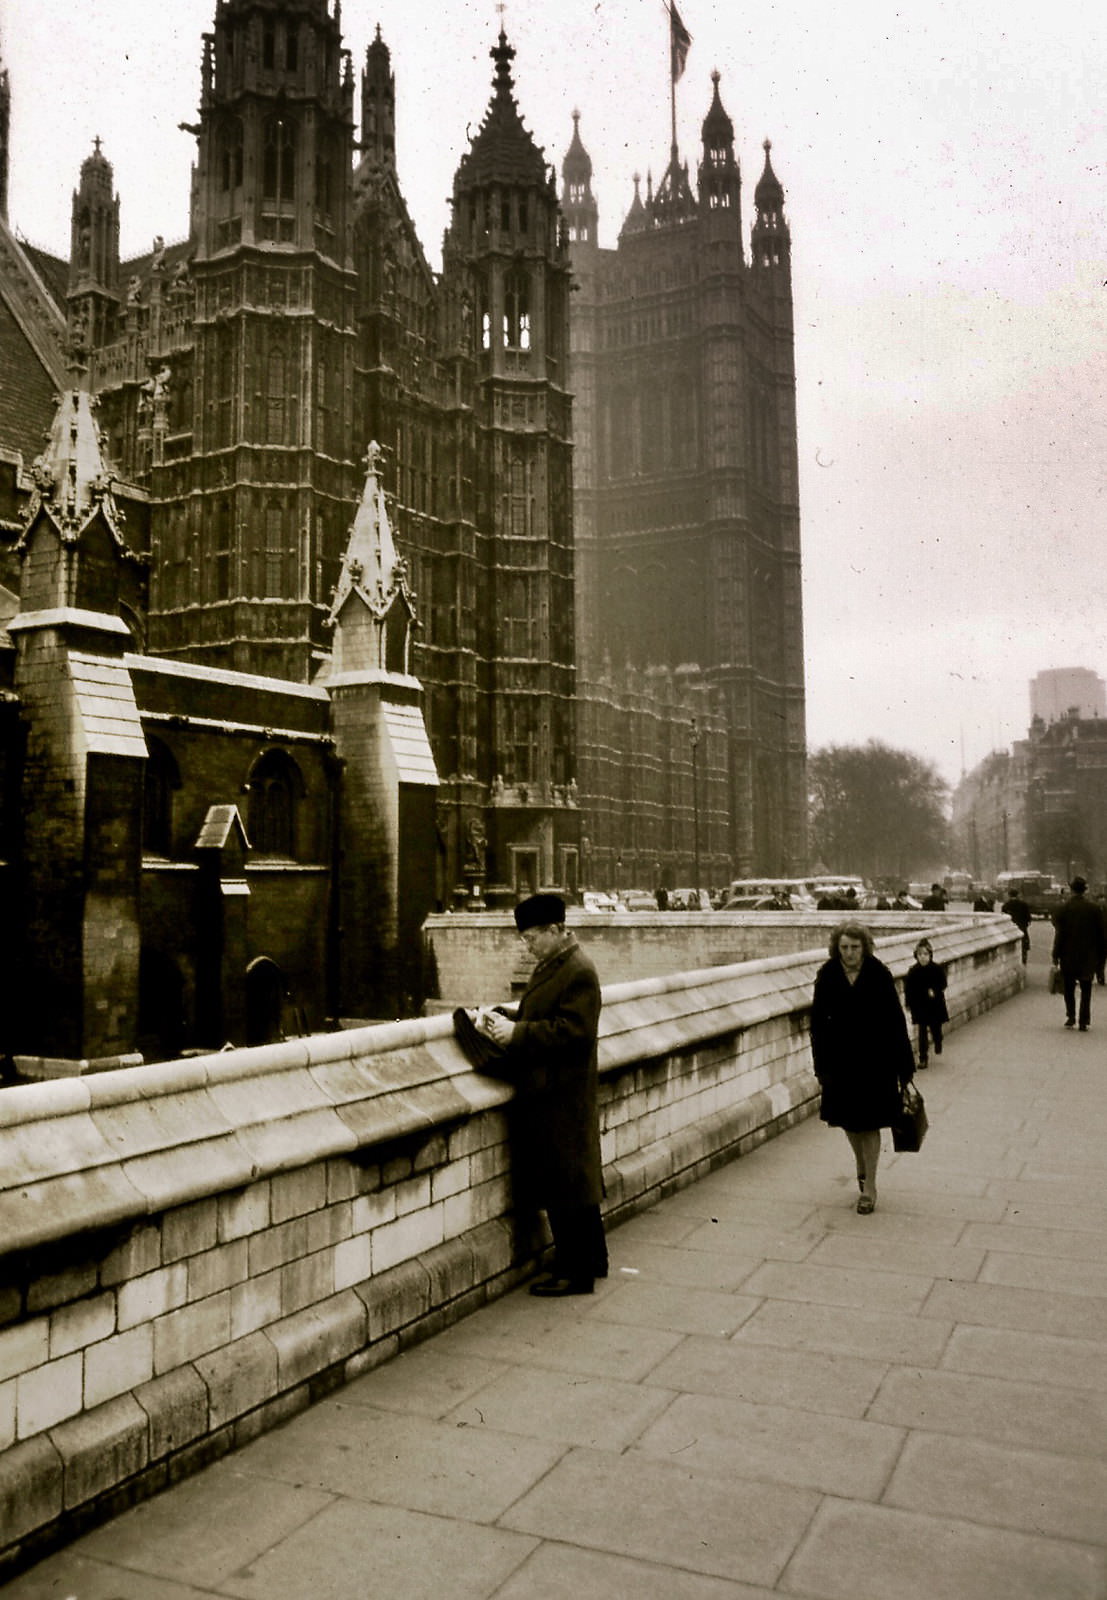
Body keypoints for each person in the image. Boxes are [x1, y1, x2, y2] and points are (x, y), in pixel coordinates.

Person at [478, 893, 607, 1294]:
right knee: (575, 1184)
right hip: (558, 1091)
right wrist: (510, 1015)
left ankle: (575, 1273)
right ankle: (592, 1259)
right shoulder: (557, 964)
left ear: (554, 931)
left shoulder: (578, 971)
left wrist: (518, 1034)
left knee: (565, 1184)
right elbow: (546, 1012)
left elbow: (573, 1031)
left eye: (532, 937)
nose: (527, 945)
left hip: (562, 1092)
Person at [810, 921, 915, 1214]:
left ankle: (870, 1186)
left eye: (855, 947)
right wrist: (820, 1065)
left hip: (875, 1063)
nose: (849, 953)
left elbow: (896, 1022)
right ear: (836, 948)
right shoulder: (827, 976)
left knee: (869, 1124)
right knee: (848, 1122)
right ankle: (861, 1164)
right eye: (844, 948)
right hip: (840, 1063)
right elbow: (817, 1025)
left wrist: (904, 1069)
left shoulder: (879, 975)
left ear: (864, 947)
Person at [1051, 876, 1107, 1032]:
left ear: (1071, 889)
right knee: (1086, 989)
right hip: (1088, 956)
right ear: (1085, 890)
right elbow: (1101, 935)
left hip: (1068, 955)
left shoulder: (1064, 909)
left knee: (1068, 988)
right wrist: (1102, 956)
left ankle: (1070, 1016)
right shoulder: (1094, 909)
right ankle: (1084, 1020)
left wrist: (1055, 954)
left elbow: (1059, 934)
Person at [903, 937, 948, 1066]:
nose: (922, 957)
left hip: (934, 1005)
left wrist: (935, 990)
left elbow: (943, 983)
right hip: (919, 1005)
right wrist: (908, 1003)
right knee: (922, 1030)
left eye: (925, 954)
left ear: (930, 955)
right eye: (920, 954)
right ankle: (923, 1058)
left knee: (935, 1028)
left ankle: (938, 1040)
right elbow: (908, 989)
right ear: (916, 956)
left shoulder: (936, 969)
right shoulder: (913, 971)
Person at [1000, 884, 1032, 964]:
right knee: (1023, 946)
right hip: (1022, 927)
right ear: (1017, 895)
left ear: (1009, 895)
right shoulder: (1023, 905)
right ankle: (1023, 961)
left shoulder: (1005, 906)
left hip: (1010, 929)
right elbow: (1028, 917)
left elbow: (1003, 918)